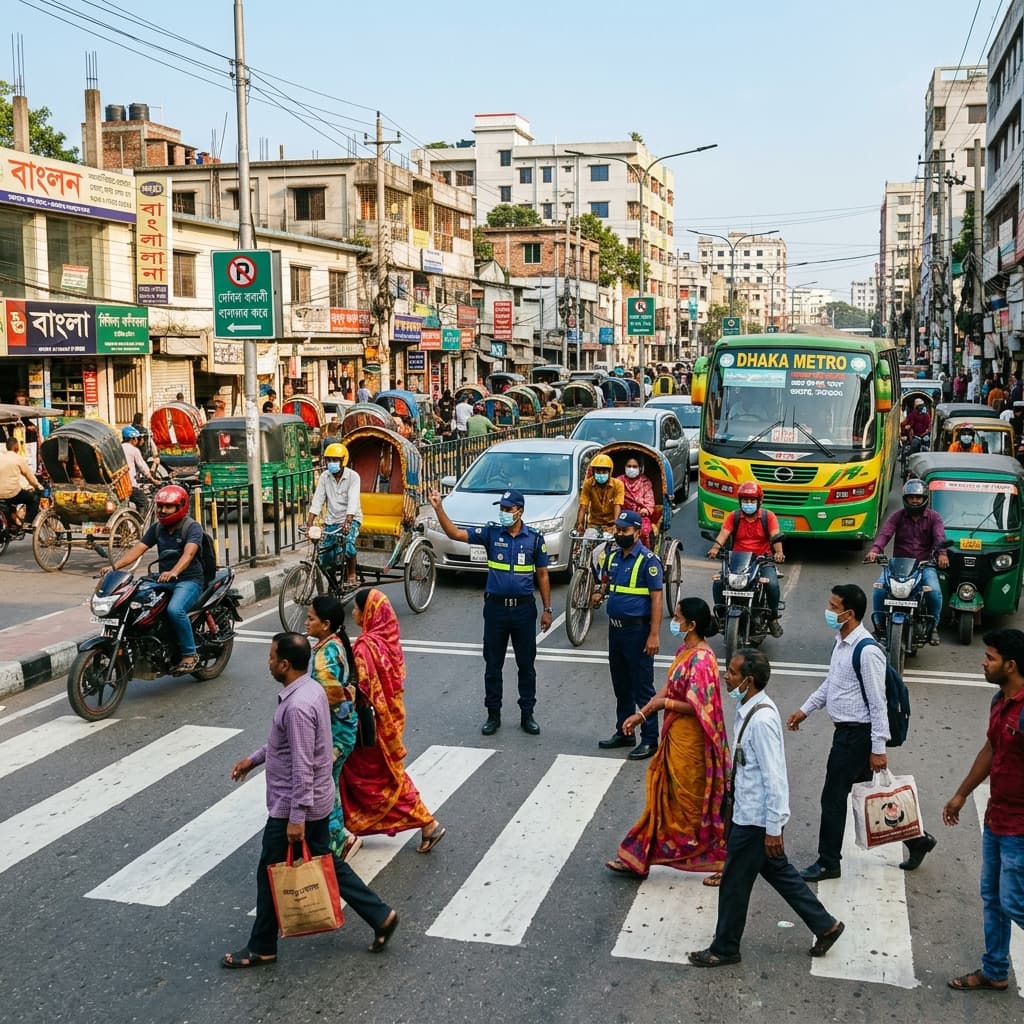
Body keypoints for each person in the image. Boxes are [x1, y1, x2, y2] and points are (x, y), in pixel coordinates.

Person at [221, 632, 398, 968]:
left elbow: (302, 764)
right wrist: (253, 760)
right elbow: (285, 746)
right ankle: (381, 915)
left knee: (269, 871)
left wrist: (296, 819)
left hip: (295, 804)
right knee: (328, 863)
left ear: (285, 664)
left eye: (272, 656)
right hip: (313, 799)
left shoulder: (299, 706)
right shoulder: (309, 689)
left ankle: (262, 947)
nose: (268, 661)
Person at [688, 649, 846, 968]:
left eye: (732, 673)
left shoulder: (761, 720)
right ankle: (826, 925)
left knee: (733, 884)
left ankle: (725, 947)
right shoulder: (748, 707)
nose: (726, 676)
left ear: (748, 681)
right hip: (749, 813)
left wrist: (774, 828)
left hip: (756, 820)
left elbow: (776, 778)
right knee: (779, 871)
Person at [786, 583, 937, 881]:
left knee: (832, 798)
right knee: (873, 797)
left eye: (833, 607)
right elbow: (832, 683)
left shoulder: (867, 651)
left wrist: (878, 748)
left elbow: (878, 703)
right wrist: (805, 709)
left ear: (849, 613)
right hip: (847, 733)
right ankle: (918, 840)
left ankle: (828, 862)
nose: (828, 612)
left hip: (856, 736)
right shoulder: (841, 642)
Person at [605, 597, 729, 879]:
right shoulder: (685, 650)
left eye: (678, 617)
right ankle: (638, 857)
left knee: (694, 808)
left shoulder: (703, 660)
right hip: (674, 737)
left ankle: (722, 861)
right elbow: (670, 687)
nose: (674, 622)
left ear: (692, 624)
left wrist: (664, 706)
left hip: (692, 745)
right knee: (661, 799)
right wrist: (643, 713)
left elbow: (699, 707)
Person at [428, 486, 552, 735]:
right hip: (495, 610)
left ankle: (527, 714)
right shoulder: (491, 533)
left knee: (526, 666)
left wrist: (547, 609)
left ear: (520, 511)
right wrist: (438, 508)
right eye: (502, 509)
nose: (504, 513)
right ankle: (492, 714)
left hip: (524, 611)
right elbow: (455, 533)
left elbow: (542, 574)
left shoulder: (535, 539)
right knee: (492, 665)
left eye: (508, 509)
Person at [943, 628, 1024, 994]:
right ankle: (995, 970)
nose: (983, 662)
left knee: (1014, 901)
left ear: (1010, 665)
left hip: (1020, 827)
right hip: (996, 819)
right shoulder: (999, 702)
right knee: (992, 897)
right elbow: (991, 749)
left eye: (990, 658)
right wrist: (961, 794)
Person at [339, 589, 447, 852]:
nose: (353, 613)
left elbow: (360, 687)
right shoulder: (389, 641)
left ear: (369, 613)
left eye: (356, 608)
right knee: (380, 777)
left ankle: (427, 823)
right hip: (390, 720)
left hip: (372, 727)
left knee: (381, 780)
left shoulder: (366, 647)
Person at [109, 484, 205, 674]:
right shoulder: (158, 528)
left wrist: (174, 572)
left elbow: (189, 554)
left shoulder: (192, 527)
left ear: (181, 507)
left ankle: (190, 654)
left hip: (189, 580)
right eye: (160, 506)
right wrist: (114, 567)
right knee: (136, 601)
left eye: (167, 506)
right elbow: (138, 549)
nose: (162, 510)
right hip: (162, 580)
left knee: (175, 610)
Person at [594, 509, 664, 761]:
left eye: (624, 531)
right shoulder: (613, 557)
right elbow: (608, 584)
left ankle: (649, 738)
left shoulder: (648, 561)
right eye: (617, 530)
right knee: (621, 685)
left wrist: (654, 634)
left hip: (638, 631)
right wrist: (600, 593)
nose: (619, 534)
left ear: (637, 532)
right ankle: (624, 732)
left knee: (642, 687)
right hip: (616, 630)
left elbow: (657, 599)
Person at [306, 596, 360, 859]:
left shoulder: (325, 654)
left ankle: (339, 840)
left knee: (323, 787)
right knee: (330, 784)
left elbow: (329, 696)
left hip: (335, 734)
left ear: (325, 624)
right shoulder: (333, 643)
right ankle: (338, 838)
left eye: (311, 618)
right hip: (344, 729)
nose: (306, 623)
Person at [867, 478, 948, 646]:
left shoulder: (934, 518)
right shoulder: (898, 516)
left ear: (925, 498)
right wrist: (875, 550)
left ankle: (933, 627)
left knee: (934, 592)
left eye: (918, 497)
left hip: (924, 566)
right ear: (905, 498)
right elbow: (885, 533)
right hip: (898, 565)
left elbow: (940, 537)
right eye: (911, 497)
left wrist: (942, 554)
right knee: (879, 590)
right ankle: (880, 625)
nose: (915, 500)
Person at [706, 481, 784, 637]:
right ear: (740, 501)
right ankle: (722, 616)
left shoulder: (768, 517)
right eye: (745, 501)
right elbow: (723, 533)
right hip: (737, 562)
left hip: (762, 560)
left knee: (772, 584)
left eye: (752, 501)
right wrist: (715, 548)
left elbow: (775, 535)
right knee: (718, 583)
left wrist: (778, 552)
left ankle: (773, 618)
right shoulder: (733, 516)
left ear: (759, 501)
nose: (748, 504)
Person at [306, 442, 362, 592]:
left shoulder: (353, 477)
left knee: (347, 544)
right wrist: (309, 522)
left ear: (343, 460)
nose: (331, 463)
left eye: (335, 460)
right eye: (329, 460)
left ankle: (351, 574)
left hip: (351, 519)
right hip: (331, 520)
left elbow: (353, 500)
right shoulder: (325, 477)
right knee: (325, 556)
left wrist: (348, 522)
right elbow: (318, 499)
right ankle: (333, 583)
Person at [574, 453, 624, 535]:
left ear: (609, 472)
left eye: (604, 471)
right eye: (598, 471)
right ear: (593, 472)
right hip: (594, 524)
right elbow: (583, 505)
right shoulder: (588, 484)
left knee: (612, 544)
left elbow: (617, 505)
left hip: (611, 524)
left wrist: (616, 524)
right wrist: (580, 523)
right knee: (588, 541)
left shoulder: (618, 484)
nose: (601, 474)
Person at [0, 436, 44, 527]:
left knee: (11, 501)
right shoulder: (18, 459)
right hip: (12, 494)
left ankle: (12, 521)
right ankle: (27, 524)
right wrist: (38, 487)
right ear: (16, 447)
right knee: (33, 499)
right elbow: (30, 477)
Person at [617, 455, 658, 548]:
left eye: (634, 466)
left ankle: (643, 555)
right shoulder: (618, 481)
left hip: (639, 516)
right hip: (622, 515)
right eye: (629, 466)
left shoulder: (645, 482)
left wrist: (645, 510)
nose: (631, 469)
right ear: (625, 467)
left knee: (643, 532)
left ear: (640, 468)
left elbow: (649, 501)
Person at [121, 425, 158, 514]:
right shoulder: (133, 450)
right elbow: (143, 467)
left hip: (119, 485)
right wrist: (153, 480)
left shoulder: (119, 447)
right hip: (129, 485)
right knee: (144, 503)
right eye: (137, 438)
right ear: (132, 439)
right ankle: (140, 525)